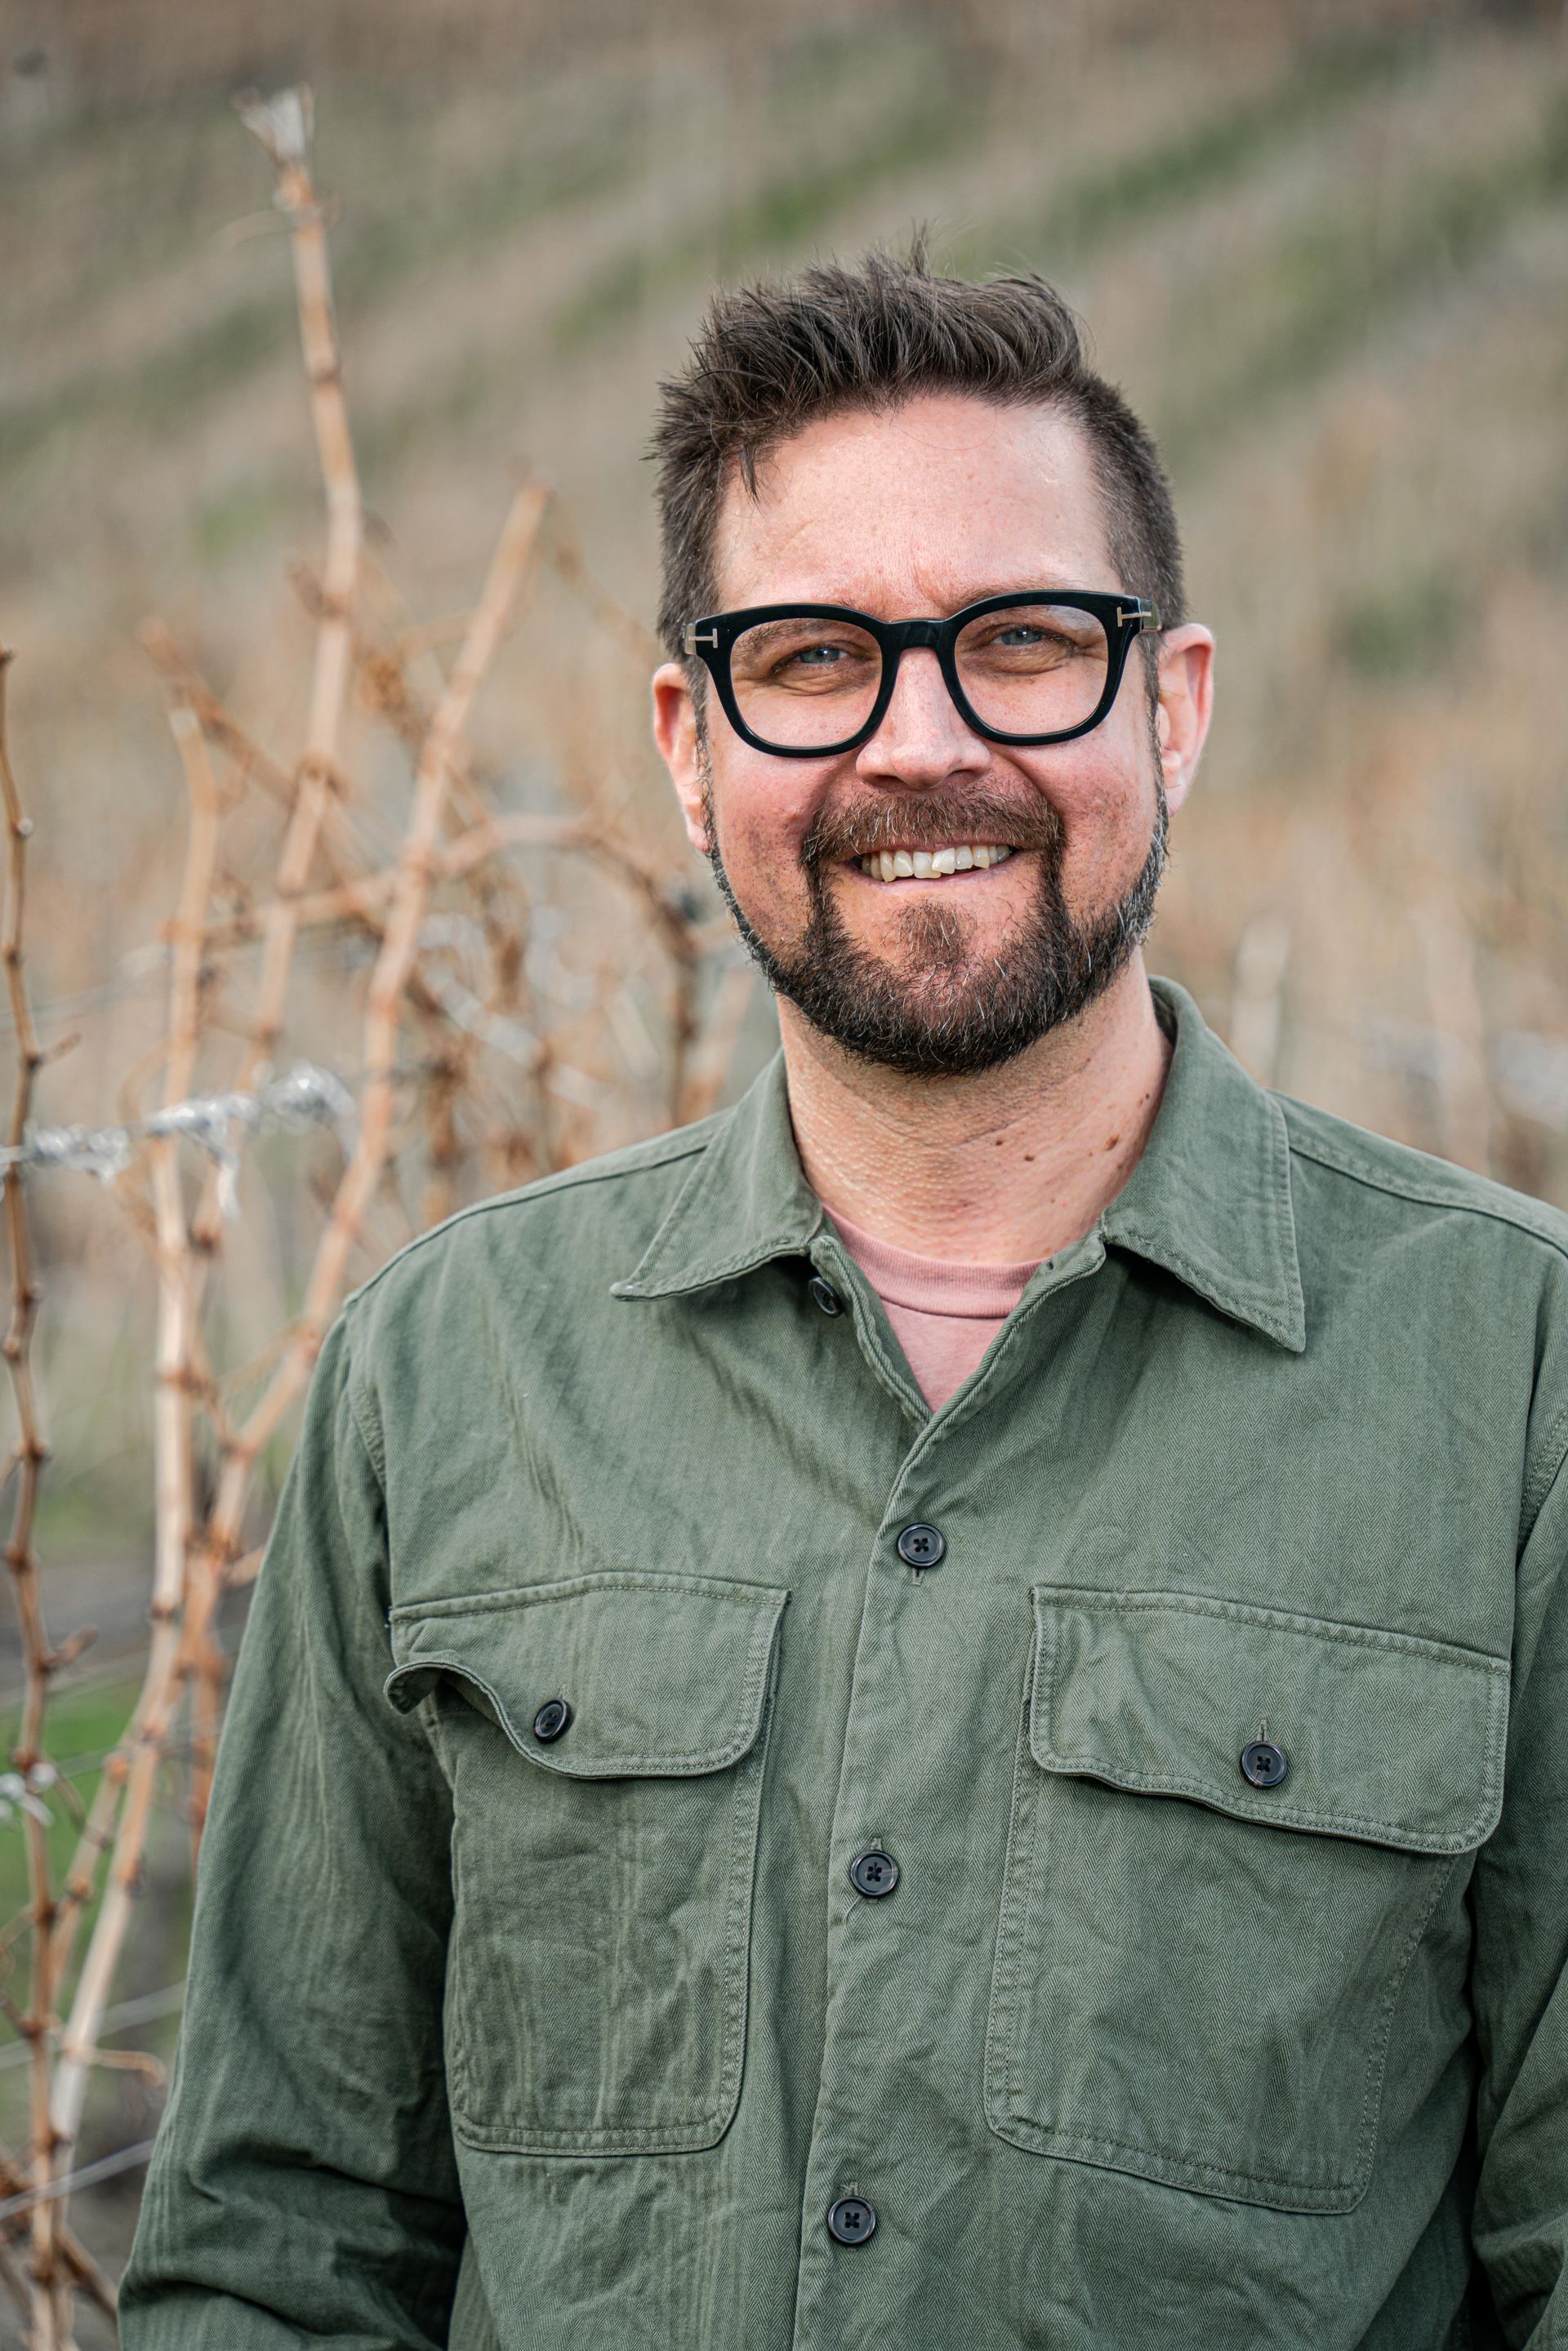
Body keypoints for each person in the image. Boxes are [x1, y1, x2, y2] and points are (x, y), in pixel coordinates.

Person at [120, 249, 1566, 2350]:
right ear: (691, 743)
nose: (923, 741)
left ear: (1172, 708)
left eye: (1025, 642)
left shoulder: (1512, 1381)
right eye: (812, 659)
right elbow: (281, 2254)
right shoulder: (444, 1378)